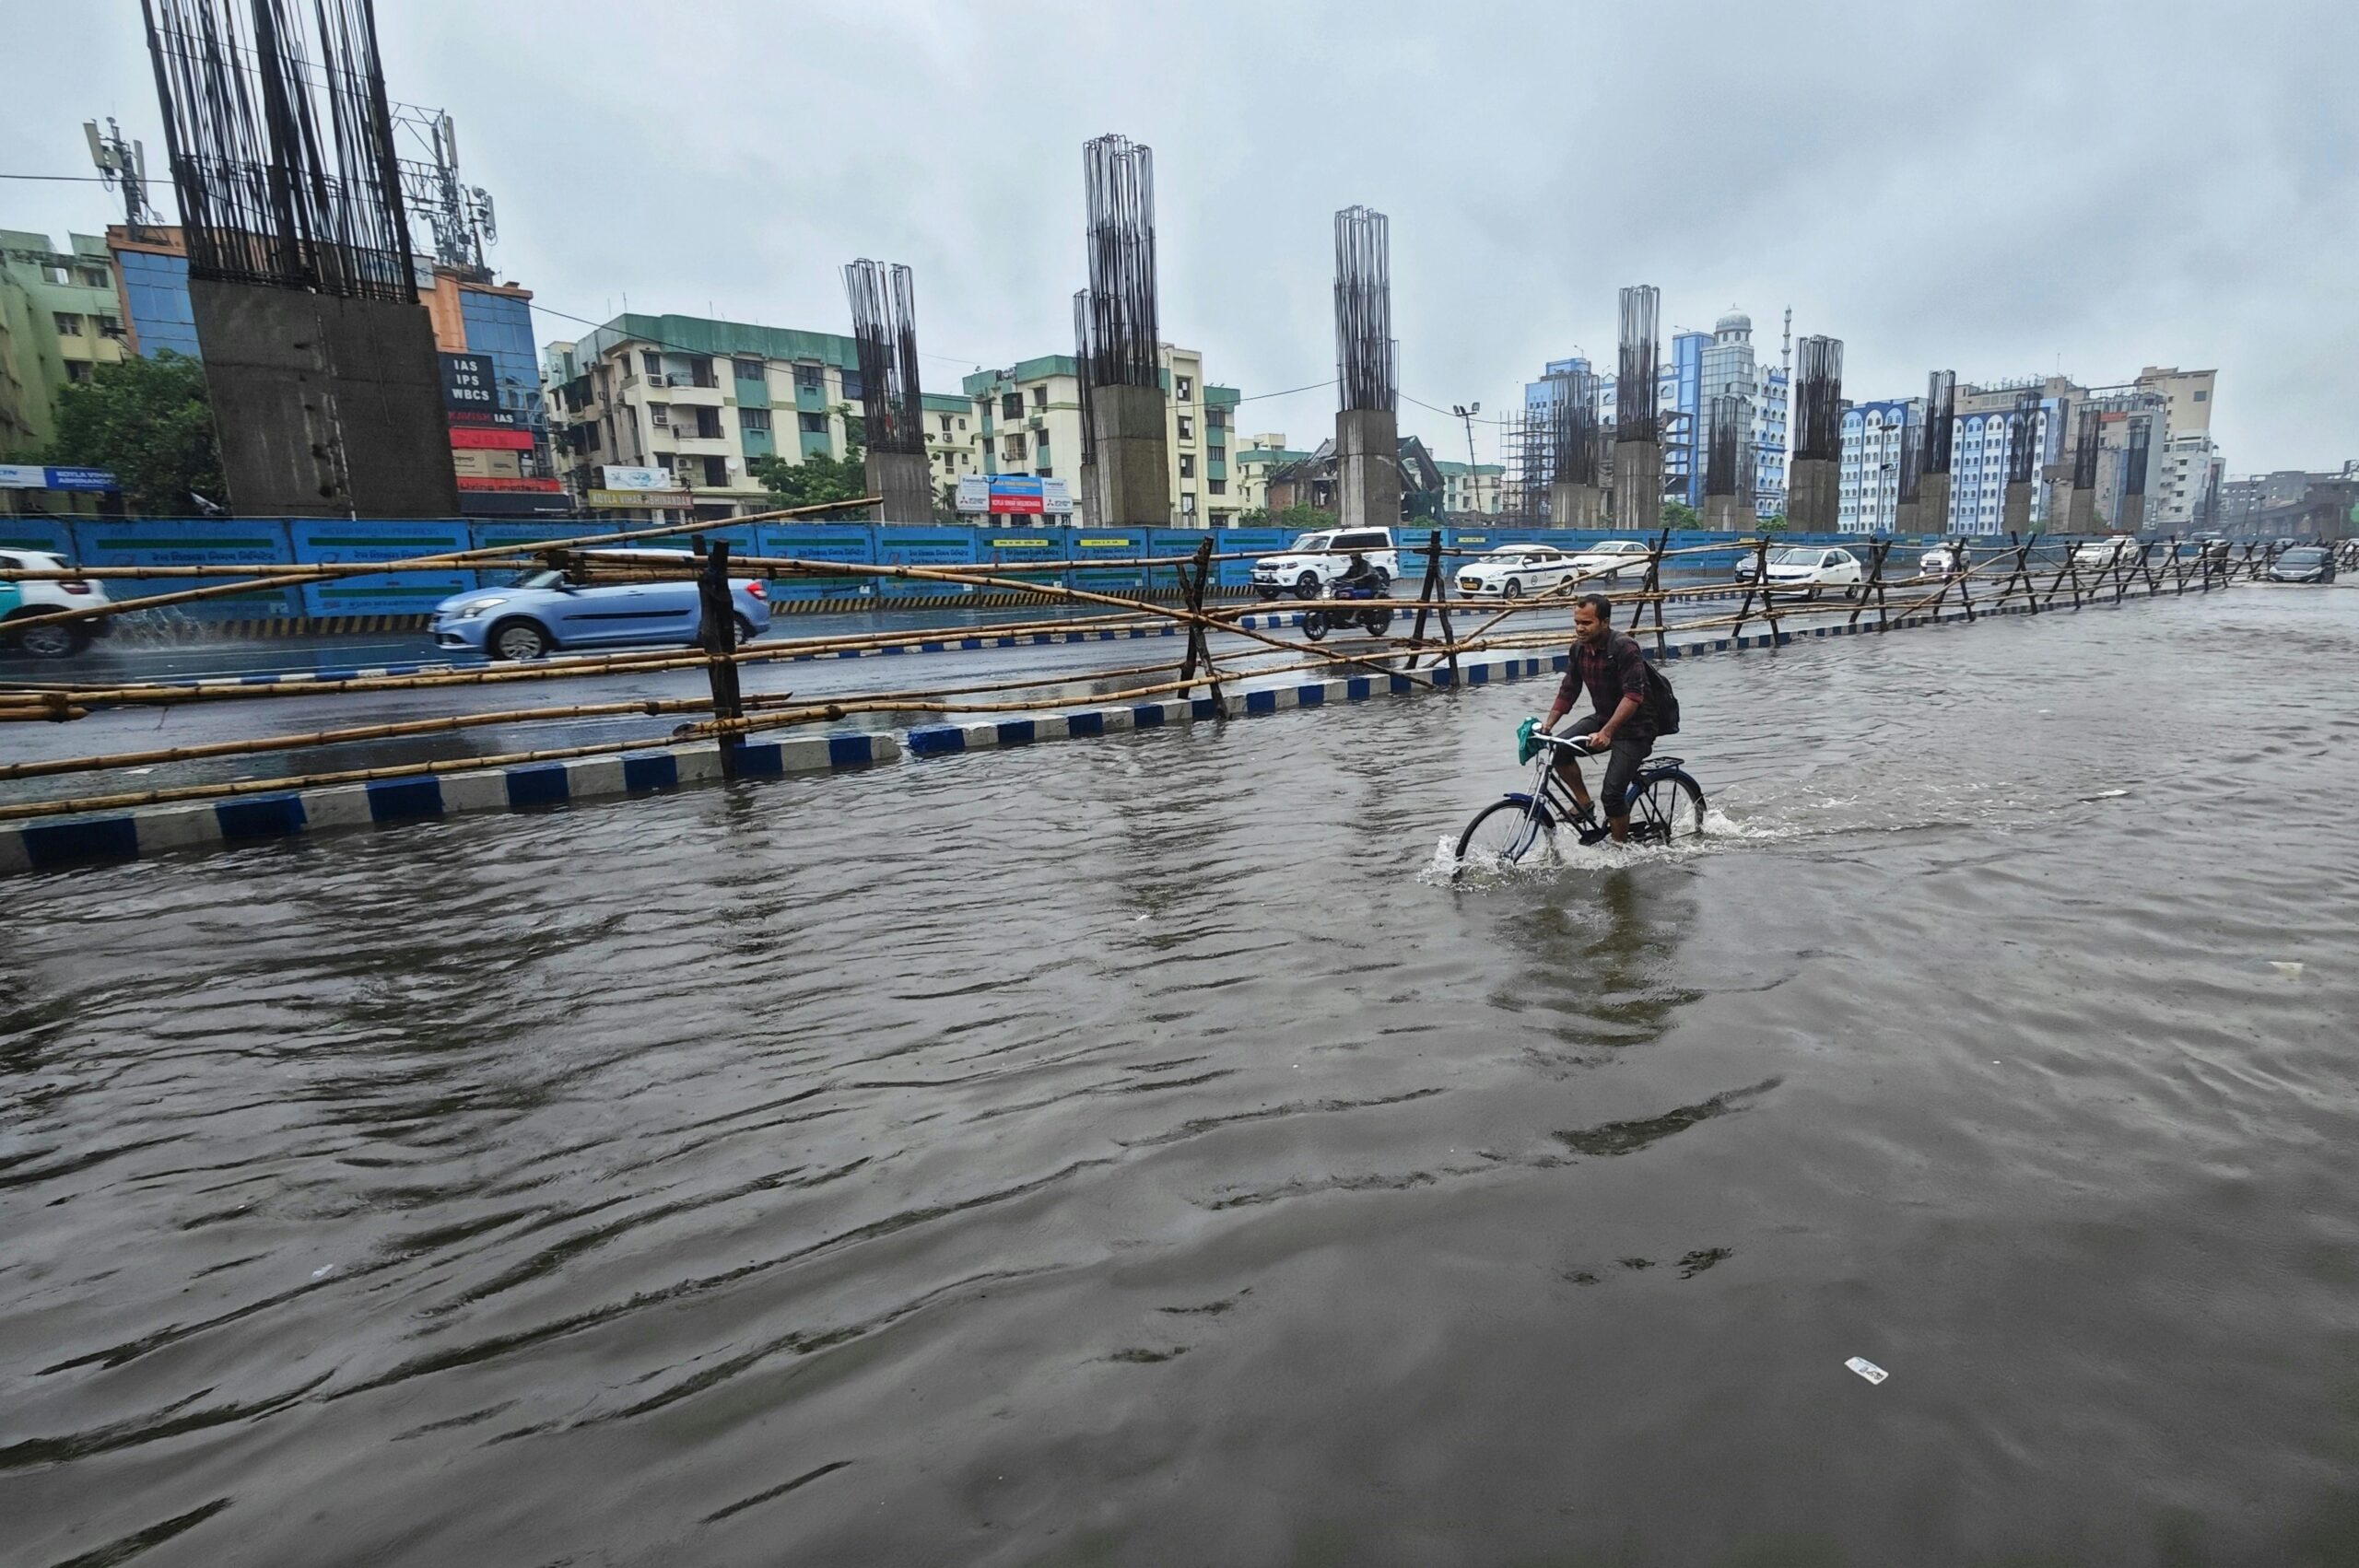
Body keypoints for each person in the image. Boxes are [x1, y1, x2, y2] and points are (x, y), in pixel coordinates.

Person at [1543, 592, 1658, 844]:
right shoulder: (1579, 650)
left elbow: (1633, 696)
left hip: (1635, 727)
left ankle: (1620, 849)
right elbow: (1569, 689)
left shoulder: (1624, 647)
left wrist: (1607, 732)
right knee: (1559, 748)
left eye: (1587, 623)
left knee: (1612, 794)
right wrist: (1547, 725)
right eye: (1577, 623)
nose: (1580, 629)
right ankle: (1584, 803)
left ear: (1604, 622)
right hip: (1604, 717)